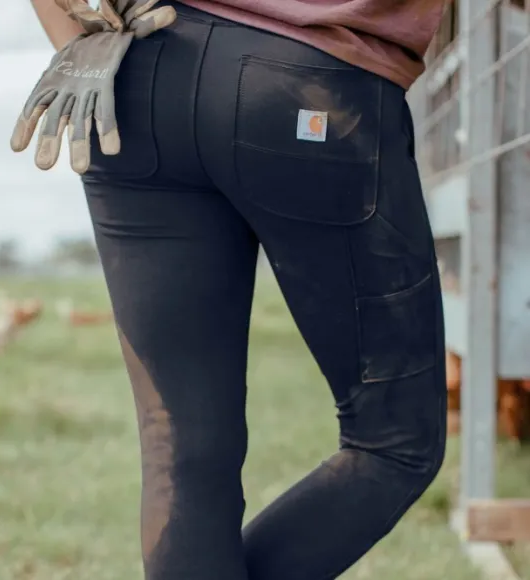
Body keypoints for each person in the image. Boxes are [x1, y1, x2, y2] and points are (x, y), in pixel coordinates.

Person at [30, 1, 448, 579]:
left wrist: (70, 39)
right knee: (395, 443)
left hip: (133, 79)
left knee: (179, 449)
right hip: (307, 78)